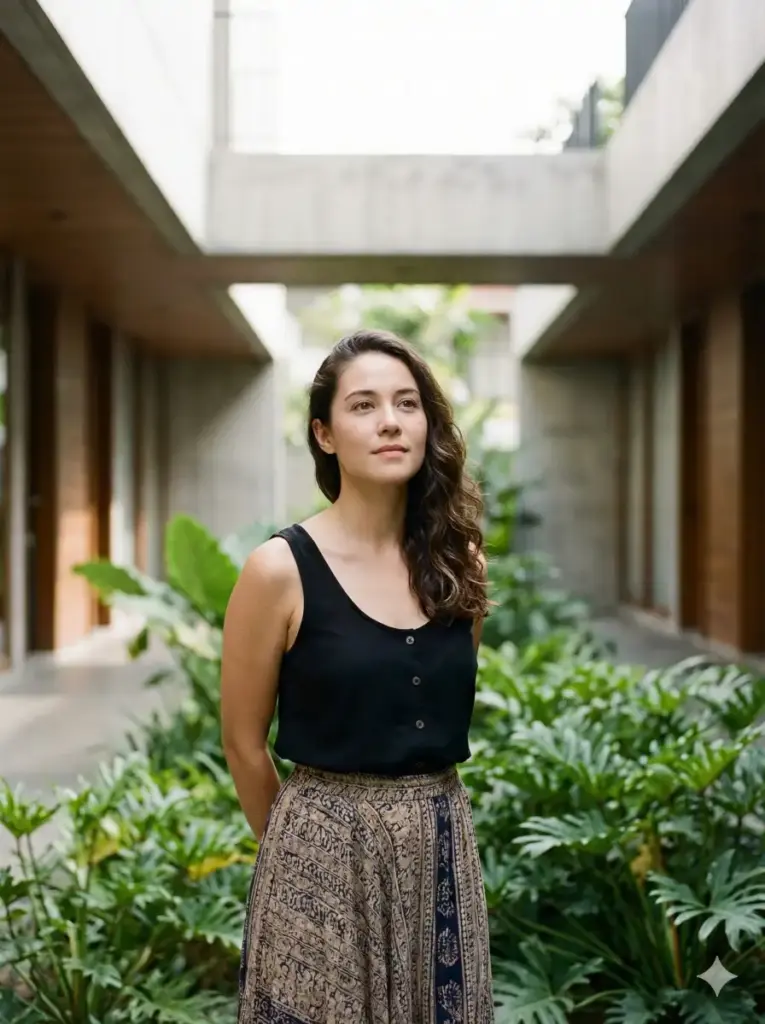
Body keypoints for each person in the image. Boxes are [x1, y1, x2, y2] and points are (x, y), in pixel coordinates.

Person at [221, 328, 494, 1023]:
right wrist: (302, 859)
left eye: (407, 403)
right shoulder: (278, 570)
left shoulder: (458, 563)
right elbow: (243, 743)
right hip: (320, 848)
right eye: (364, 405)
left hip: (439, 838)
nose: (390, 421)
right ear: (324, 433)